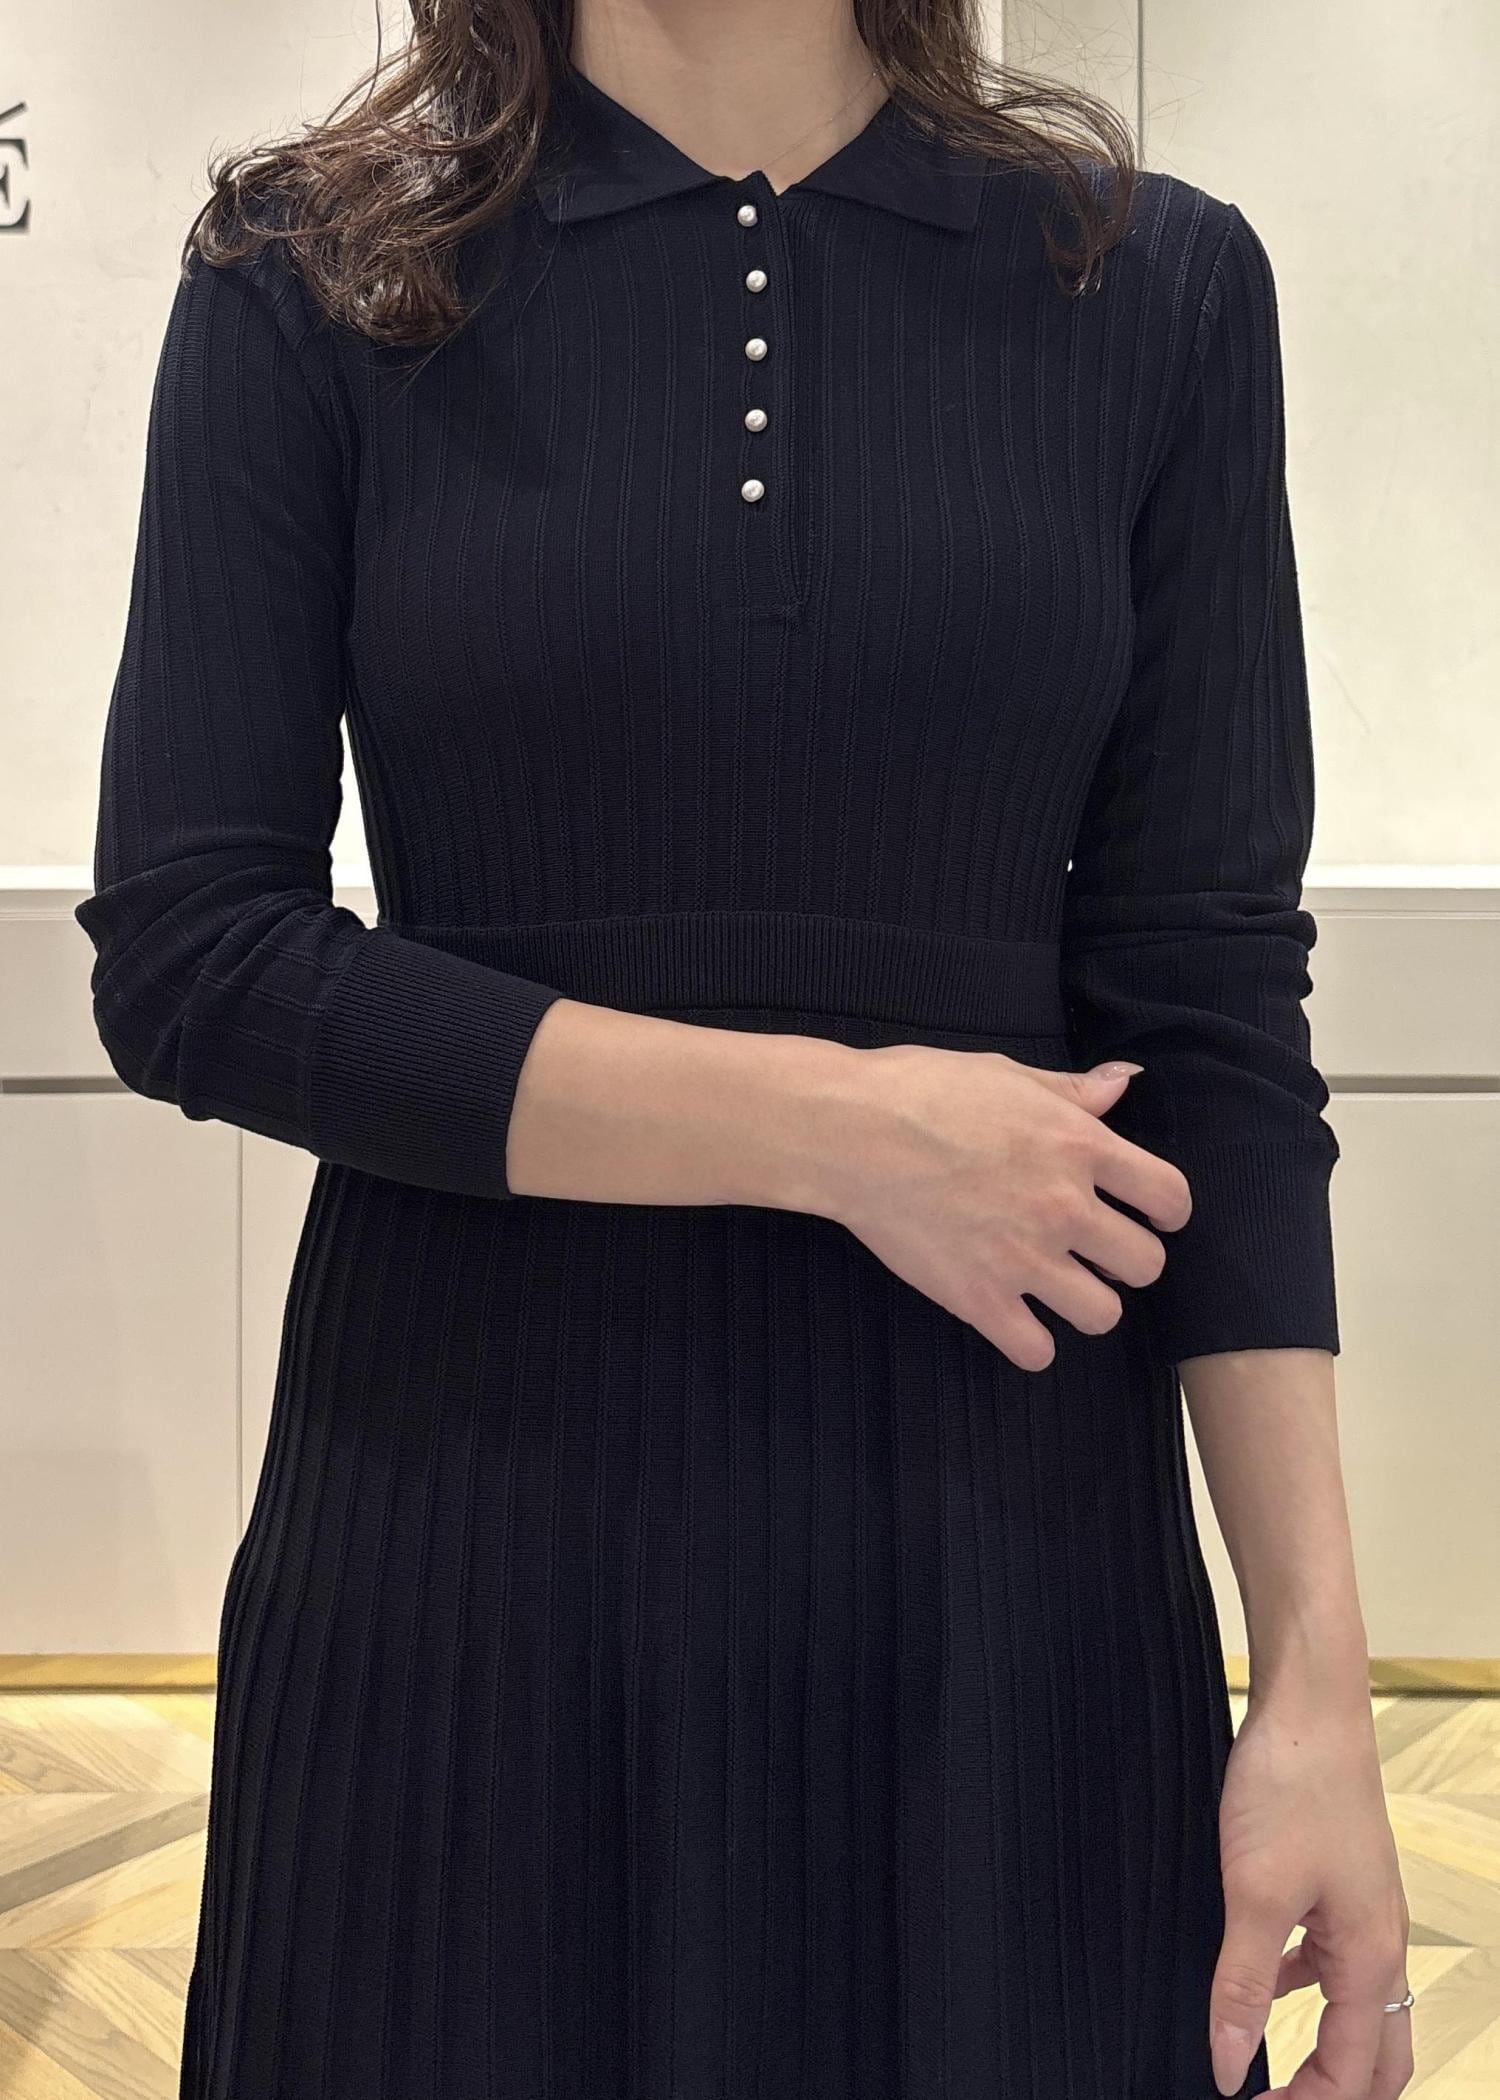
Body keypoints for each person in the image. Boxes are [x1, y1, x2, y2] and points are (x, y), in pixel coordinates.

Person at [74, 2, 1413, 2095]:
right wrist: (836, 1133)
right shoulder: (311, 279)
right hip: (464, 1556)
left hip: (1005, 1579)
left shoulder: (1147, 285)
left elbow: (1210, 1002)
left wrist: (1316, 1678)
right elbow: (194, 953)